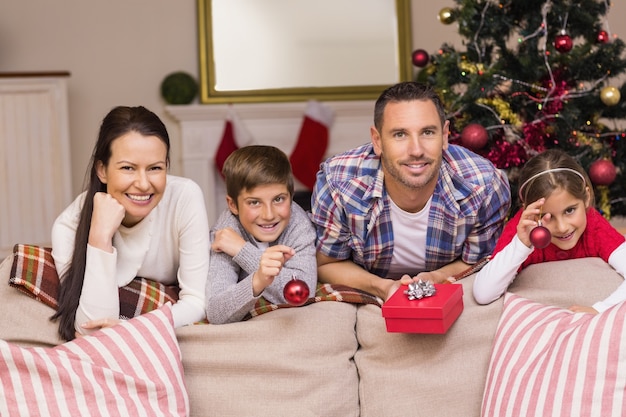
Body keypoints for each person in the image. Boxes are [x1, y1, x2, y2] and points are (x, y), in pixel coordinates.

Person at [310, 81, 511, 301]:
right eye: (400, 134)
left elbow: (478, 262)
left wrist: (437, 277)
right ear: (377, 141)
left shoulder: (484, 186)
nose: (416, 150)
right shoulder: (338, 182)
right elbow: (328, 262)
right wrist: (382, 288)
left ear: (444, 136)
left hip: (448, 284)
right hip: (370, 287)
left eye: (427, 132)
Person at [51, 105, 210, 341]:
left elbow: (197, 301)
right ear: (102, 170)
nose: (144, 184)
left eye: (155, 168)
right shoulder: (69, 224)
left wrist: (132, 329)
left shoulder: (185, 196)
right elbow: (90, 330)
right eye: (128, 168)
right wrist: (99, 238)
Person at [473, 149, 626, 313]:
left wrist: (600, 309)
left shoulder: (594, 225)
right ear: (528, 209)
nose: (562, 227)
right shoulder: (524, 230)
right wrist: (520, 245)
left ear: (586, 197)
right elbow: (483, 293)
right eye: (547, 216)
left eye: (569, 211)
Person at [205, 145, 317, 324]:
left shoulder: (298, 223)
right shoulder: (226, 233)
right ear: (233, 205)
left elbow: (304, 291)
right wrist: (258, 280)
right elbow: (216, 312)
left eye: (279, 199)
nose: (269, 215)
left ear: (291, 195)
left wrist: (242, 251)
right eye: (255, 202)